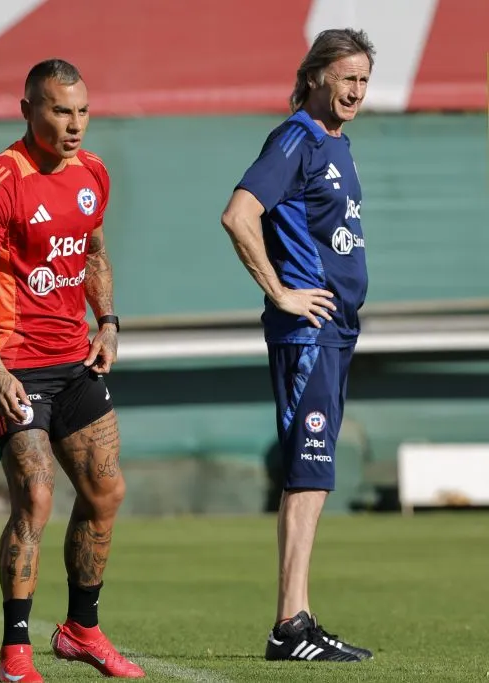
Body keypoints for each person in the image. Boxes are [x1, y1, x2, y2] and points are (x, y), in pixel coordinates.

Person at [0, 58, 145, 682]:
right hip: (16, 365)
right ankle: (15, 653)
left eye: (82, 111)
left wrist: (109, 321)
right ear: (28, 110)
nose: (74, 124)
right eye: (60, 110)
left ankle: (81, 631)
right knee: (35, 497)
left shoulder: (93, 173)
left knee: (105, 492)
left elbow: (93, 252)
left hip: (75, 359)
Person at [220, 28, 376, 663]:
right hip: (307, 334)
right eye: (346, 77)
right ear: (315, 76)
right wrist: (282, 291)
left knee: (313, 476)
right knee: (307, 472)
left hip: (335, 333)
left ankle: (298, 620)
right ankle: (289, 624)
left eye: (364, 80)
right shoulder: (296, 138)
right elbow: (239, 213)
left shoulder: (336, 144)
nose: (356, 90)